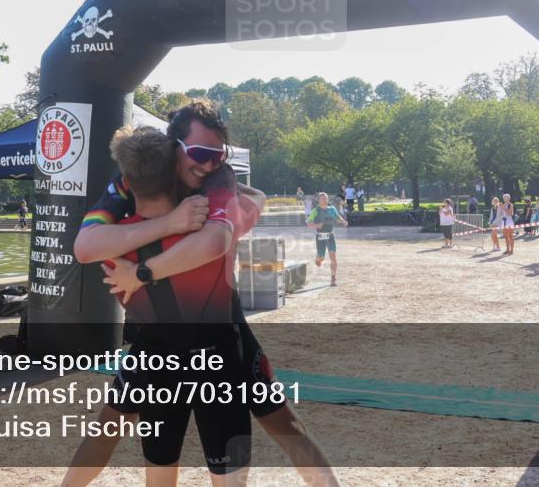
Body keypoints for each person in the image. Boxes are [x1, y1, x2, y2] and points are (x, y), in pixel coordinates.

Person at [69, 99, 339, 487]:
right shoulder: (134, 179)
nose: (210, 163)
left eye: (219, 154)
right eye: (200, 153)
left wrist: (142, 272)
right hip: (155, 344)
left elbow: (215, 240)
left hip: (221, 340)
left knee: (285, 427)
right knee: (113, 434)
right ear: (173, 146)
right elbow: (84, 246)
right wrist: (169, 223)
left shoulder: (218, 182)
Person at [98, 125, 255, 485]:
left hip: (156, 356)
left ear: (127, 178)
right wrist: (223, 190)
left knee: (156, 465)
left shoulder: (115, 245)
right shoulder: (205, 227)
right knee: (237, 468)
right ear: (175, 167)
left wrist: (140, 271)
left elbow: (82, 247)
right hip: (220, 355)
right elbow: (253, 204)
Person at [307, 192, 348, 286]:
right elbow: (309, 223)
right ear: (319, 201)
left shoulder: (332, 209)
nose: (325, 201)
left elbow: (337, 218)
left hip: (330, 235)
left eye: (326, 199)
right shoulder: (315, 210)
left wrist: (343, 222)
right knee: (321, 258)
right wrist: (317, 225)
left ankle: (333, 278)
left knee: (333, 257)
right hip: (320, 236)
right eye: (323, 199)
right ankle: (318, 258)